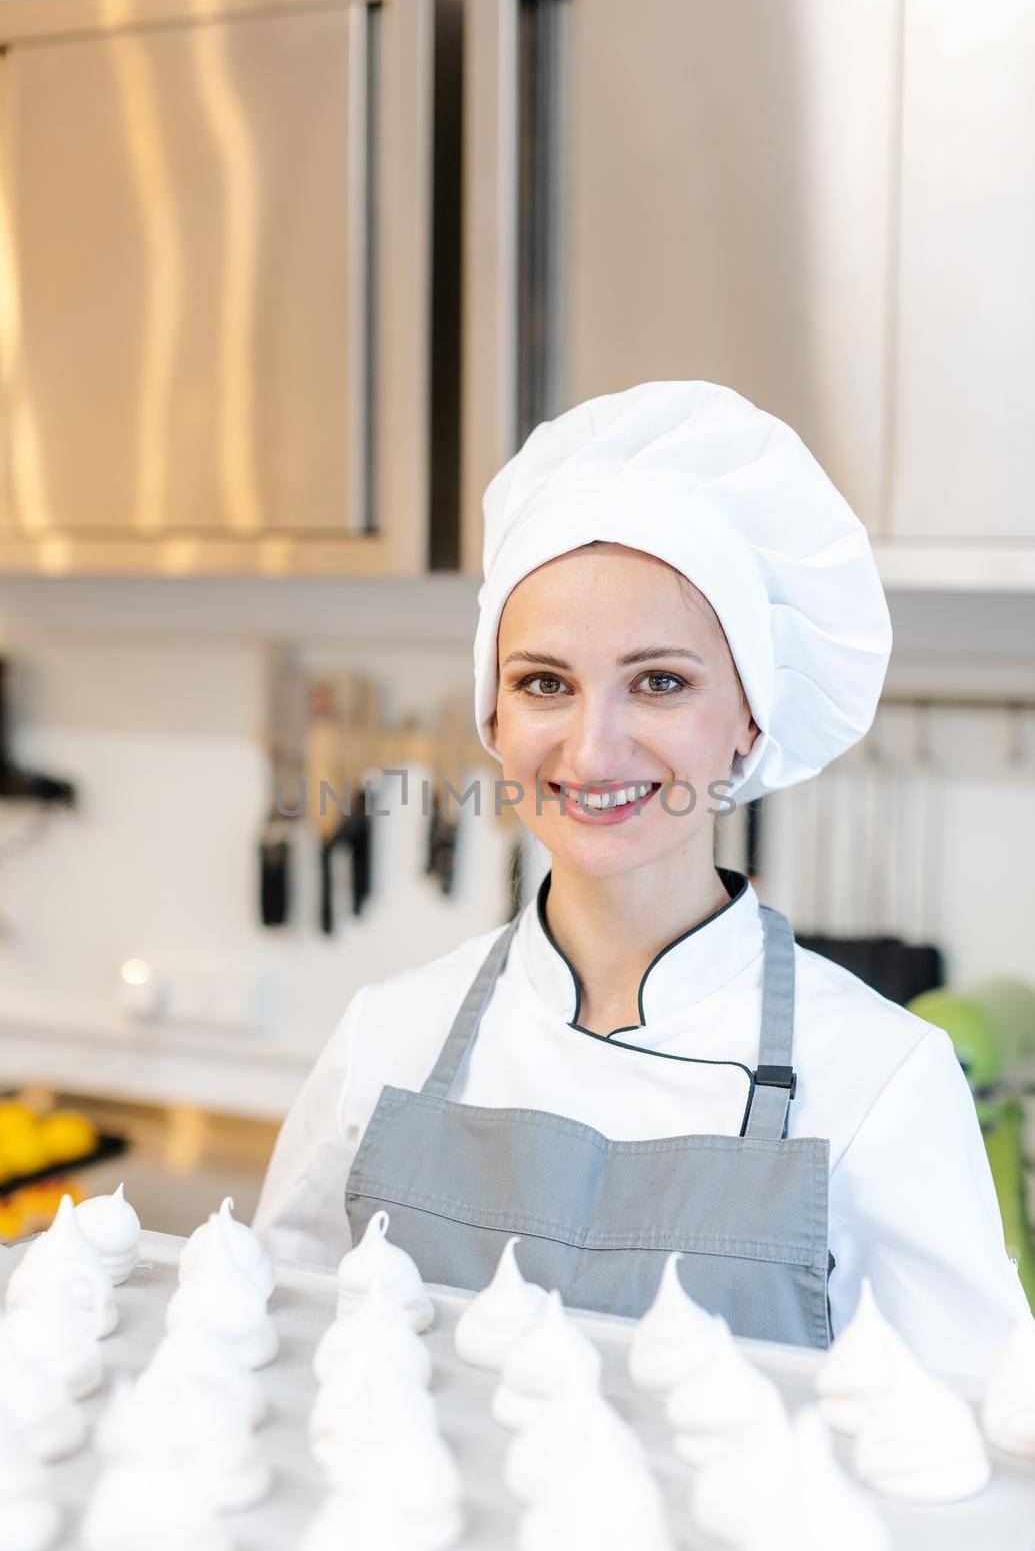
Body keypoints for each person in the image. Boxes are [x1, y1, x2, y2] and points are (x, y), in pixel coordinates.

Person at [254, 380, 1030, 1376]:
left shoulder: (877, 1081)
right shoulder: (386, 1038)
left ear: (749, 719)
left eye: (658, 682)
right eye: (544, 683)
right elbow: (275, 1345)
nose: (590, 749)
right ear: (493, 717)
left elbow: (985, 1453)